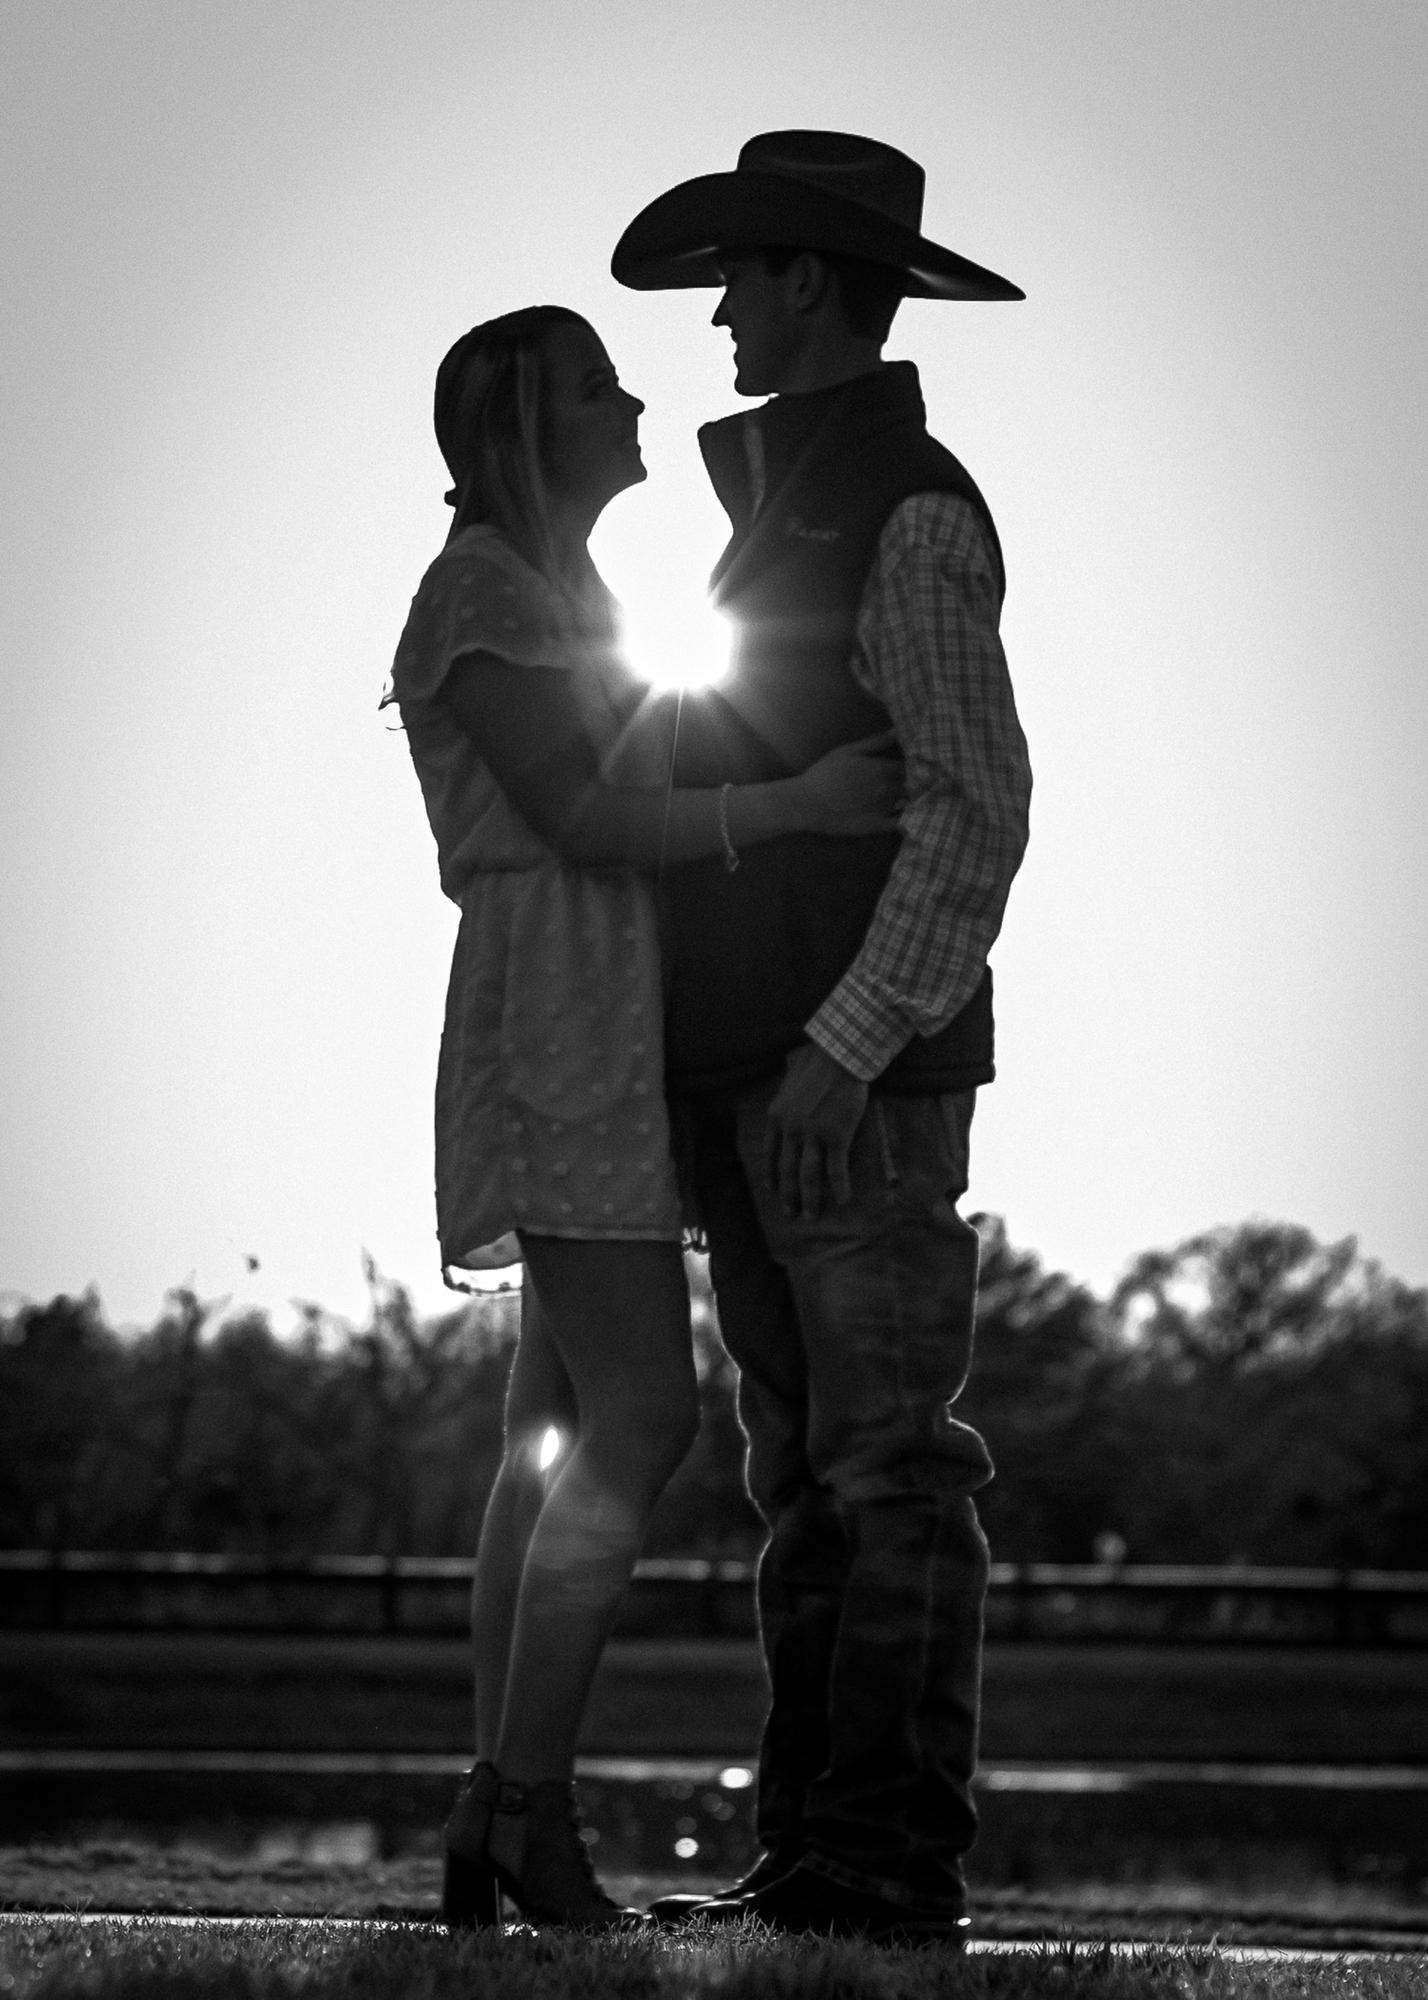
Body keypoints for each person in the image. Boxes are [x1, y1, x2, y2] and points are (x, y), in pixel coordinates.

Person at [382, 303, 901, 1929]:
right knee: (643, 1416)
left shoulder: (560, 594)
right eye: (600, 388)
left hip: (602, 1005)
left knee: (545, 1433)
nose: (635, 407)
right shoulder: (483, 592)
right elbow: (582, 813)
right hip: (557, 1006)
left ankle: (493, 1796)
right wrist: (794, 803)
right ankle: (526, 1807)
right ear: (527, 426)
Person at [610, 132, 1033, 1945]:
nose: (717, 313)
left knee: (887, 1471)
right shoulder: (784, 509)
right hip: (758, 1079)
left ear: (805, 279)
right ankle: (816, 1864)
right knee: (803, 1484)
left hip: (848, 1087)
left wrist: (843, 1048)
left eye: (739, 275)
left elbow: (972, 810)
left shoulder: (910, 508)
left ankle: (886, 1871)